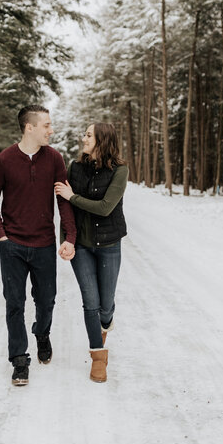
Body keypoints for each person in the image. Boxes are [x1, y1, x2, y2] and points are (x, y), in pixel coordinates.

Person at [0, 105, 76, 386]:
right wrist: (1, 235)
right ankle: (19, 360)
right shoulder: (4, 160)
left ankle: (42, 333)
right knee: (14, 303)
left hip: (44, 244)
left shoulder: (54, 159)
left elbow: (63, 199)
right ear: (30, 127)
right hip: (12, 245)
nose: (51, 130)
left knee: (46, 300)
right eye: (47, 125)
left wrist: (69, 236)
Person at [55, 123, 128, 383]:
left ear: (102, 141)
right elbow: (65, 208)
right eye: (84, 134)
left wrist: (73, 196)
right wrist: (66, 240)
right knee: (91, 301)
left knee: (106, 306)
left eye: (88, 135)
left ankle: (105, 324)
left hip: (109, 245)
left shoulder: (120, 171)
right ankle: (98, 356)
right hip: (82, 246)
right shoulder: (75, 168)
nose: (83, 138)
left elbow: (106, 207)